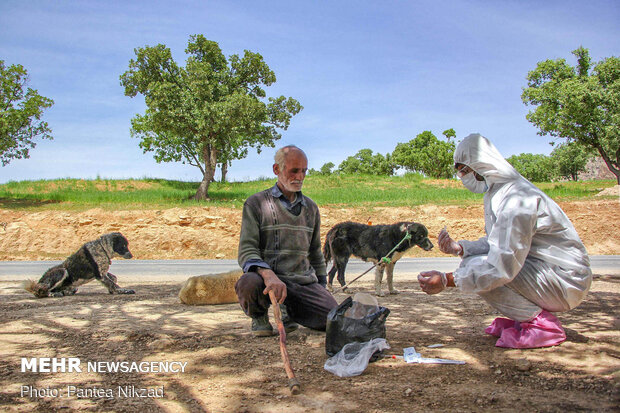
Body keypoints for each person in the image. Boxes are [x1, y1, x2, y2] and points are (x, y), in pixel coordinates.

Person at [418, 133, 592, 349]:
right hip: (546, 271)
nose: (462, 176)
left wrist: (446, 280)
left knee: (477, 268)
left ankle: (543, 327)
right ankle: (525, 318)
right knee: (471, 262)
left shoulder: (515, 199)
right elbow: (496, 242)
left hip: (565, 280)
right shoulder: (497, 192)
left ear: (479, 166)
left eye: (464, 170)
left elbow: (501, 265)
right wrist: (460, 248)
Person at [235, 145, 338, 336]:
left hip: (301, 282)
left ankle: (289, 311)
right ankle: (259, 317)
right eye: (294, 171)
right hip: (267, 282)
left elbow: (315, 252)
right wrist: (268, 274)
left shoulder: (311, 208)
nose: (299, 177)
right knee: (248, 282)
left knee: (333, 319)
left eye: (304, 171)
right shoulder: (256, 203)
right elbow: (247, 250)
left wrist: (322, 289)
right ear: (277, 170)